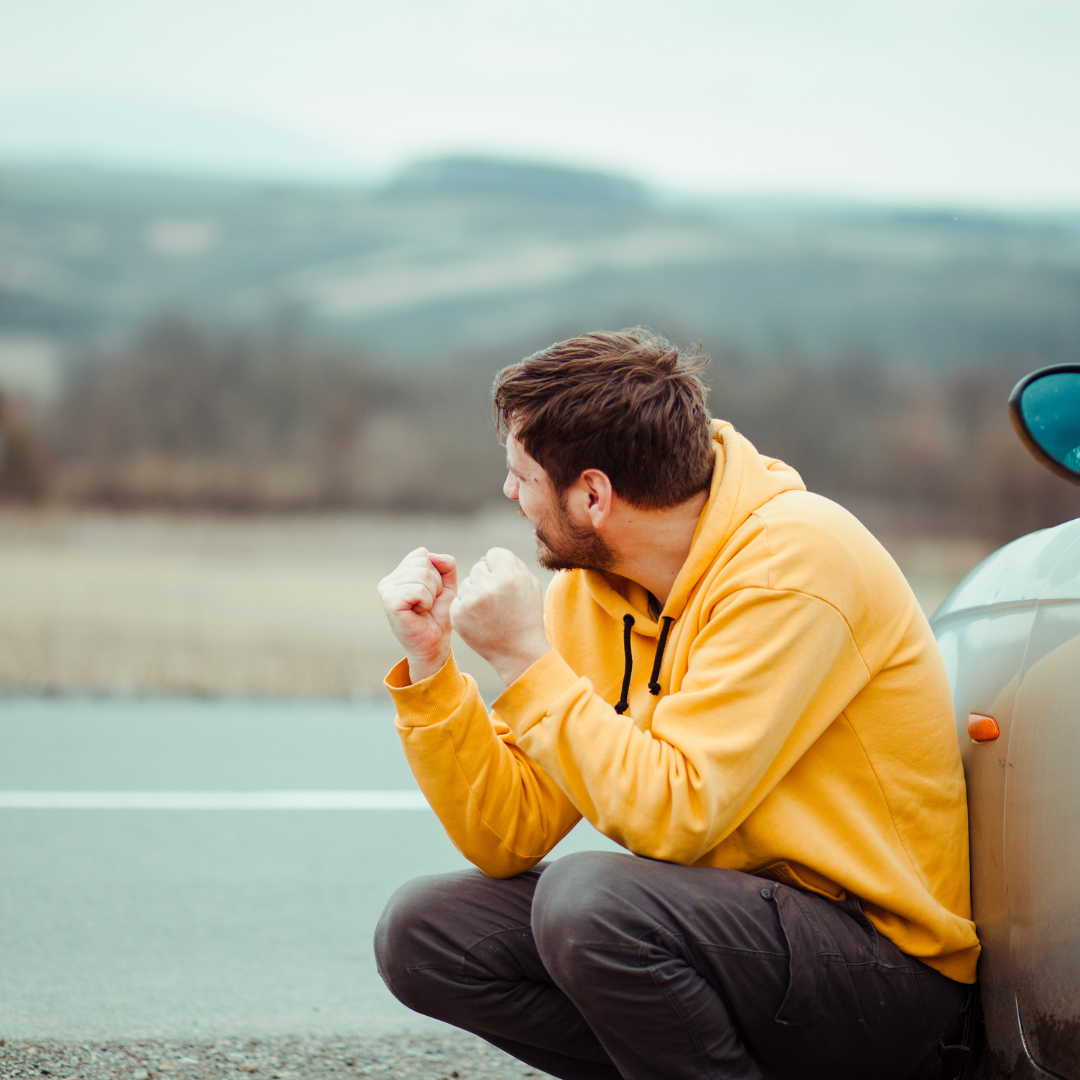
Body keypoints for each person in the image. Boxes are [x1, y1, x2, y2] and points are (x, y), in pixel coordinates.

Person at [374, 329, 979, 1080]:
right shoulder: (597, 591)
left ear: (591, 495)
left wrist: (525, 660)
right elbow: (509, 832)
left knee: (590, 903)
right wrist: (434, 666)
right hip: (735, 939)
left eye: (520, 475)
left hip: (888, 978)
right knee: (426, 933)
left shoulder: (794, 565)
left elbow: (677, 815)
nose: (509, 495)